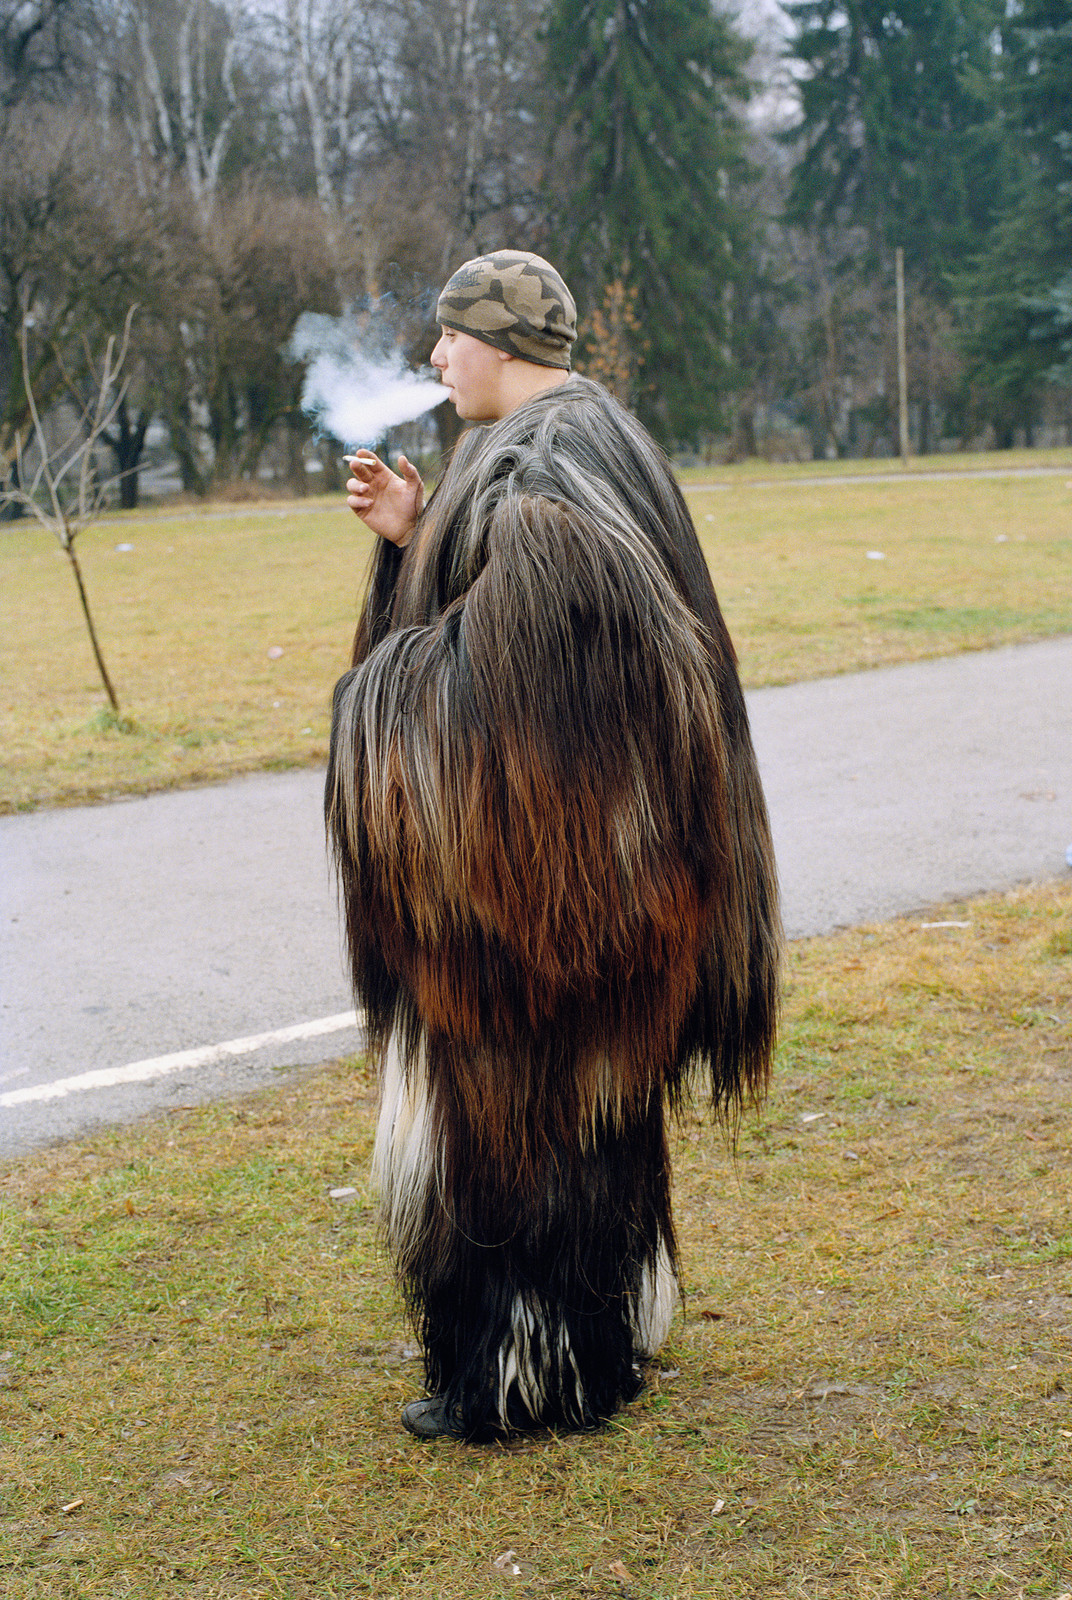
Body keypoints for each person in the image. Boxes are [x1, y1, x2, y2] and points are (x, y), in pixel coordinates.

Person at [326, 249, 780, 1441]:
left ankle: (525, 1376)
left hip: (551, 910)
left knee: (517, 1126)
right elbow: (507, 616)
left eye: (448, 337)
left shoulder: (544, 466)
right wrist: (414, 534)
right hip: (621, 887)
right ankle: (599, 1341)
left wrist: (371, 706)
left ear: (498, 345)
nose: (433, 360)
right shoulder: (582, 438)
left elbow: (543, 669)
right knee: (591, 1120)